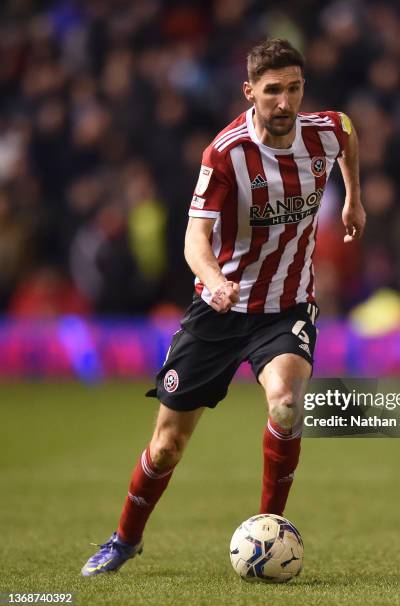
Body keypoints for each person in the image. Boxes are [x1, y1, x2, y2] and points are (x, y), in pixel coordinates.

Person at [81, 38, 366, 576]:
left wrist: (354, 197)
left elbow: (349, 133)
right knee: (166, 446)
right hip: (219, 310)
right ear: (250, 92)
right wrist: (212, 278)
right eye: (273, 91)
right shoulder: (226, 153)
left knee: (285, 403)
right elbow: (194, 238)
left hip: (288, 307)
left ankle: (270, 532)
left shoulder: (324, 131)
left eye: (295, 89)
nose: (285, 102)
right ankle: (125, 538)